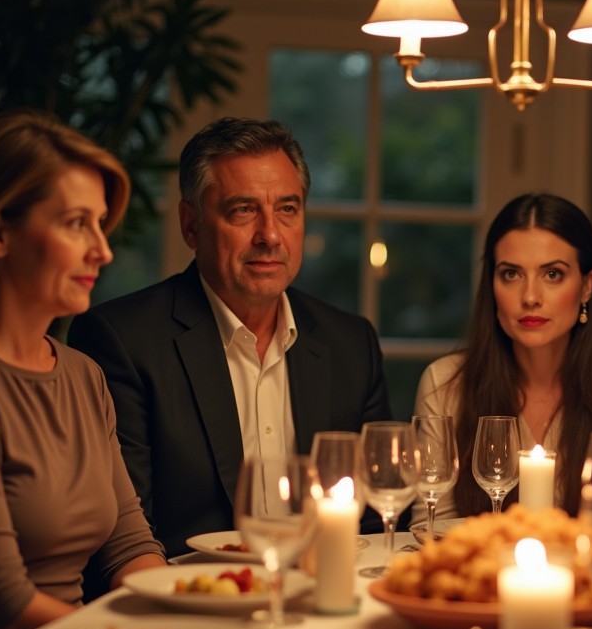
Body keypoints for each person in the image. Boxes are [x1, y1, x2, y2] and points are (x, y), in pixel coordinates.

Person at [67, 117, 393, 558]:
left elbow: (377, 521)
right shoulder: (123, 340)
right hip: (191, 601)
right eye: (243, 210)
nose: (270, 235)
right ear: (190, 225)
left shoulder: (350, 343)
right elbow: (124, 535)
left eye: (287, 209)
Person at [0, 110, 166, 629]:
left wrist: (187, 612)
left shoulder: (83, 375)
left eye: (100, 224)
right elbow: (8, 607)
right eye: (75, 224)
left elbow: (128, 543)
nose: (102, 250)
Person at [411, 192, 592, 523]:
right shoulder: (446, 383)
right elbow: (431, 526)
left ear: (587, 286)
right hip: (484, 573)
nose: (530, 297)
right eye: (511, 274)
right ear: (491, 285)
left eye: (552, 275)